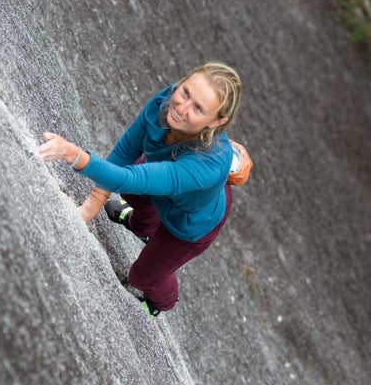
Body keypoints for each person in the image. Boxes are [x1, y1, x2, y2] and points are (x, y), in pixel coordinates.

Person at [38, 62, 243, 316]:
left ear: (216, 122)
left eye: (198, 108)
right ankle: (143, 228)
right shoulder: (167, 102)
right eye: (186, 92)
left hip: (189, 222)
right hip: (163, 180)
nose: (181, 107)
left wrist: (74, 154)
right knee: (131, 192)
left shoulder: (206, 165)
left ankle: (162, 303)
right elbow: (126, 151)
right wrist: (92, 205)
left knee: (142, 277)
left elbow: (131, 177)